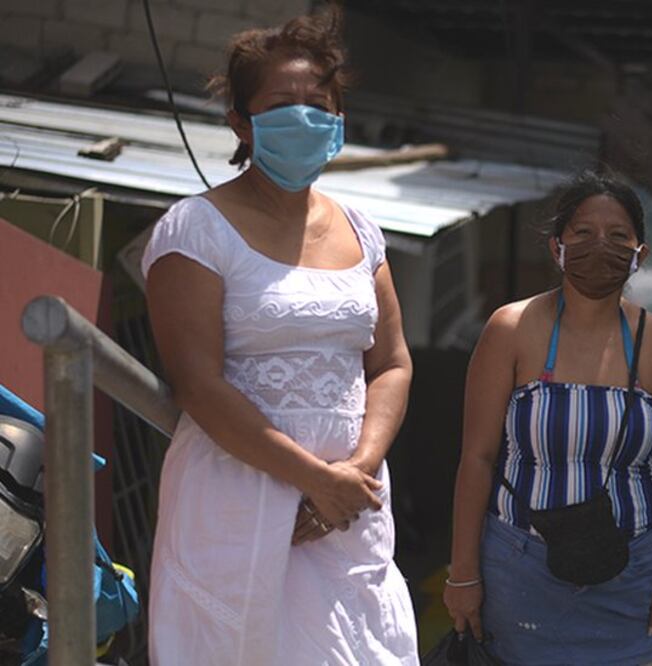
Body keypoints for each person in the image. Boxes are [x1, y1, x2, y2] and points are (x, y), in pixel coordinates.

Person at [141, 7, 418, 664]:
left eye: (318, 103)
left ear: (340, 118)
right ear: (240, 121)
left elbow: (392, 364)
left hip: (349, 508)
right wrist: (312, 479)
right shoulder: (194, 231)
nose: (304, 117)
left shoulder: (362, 228)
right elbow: (198, 383)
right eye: (280, 103)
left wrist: (354, 471)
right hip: (239, 499)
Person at [442, 172, 652, 665]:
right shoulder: (511, 329)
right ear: (557, 247)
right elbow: (476, 458)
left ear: (639, 254)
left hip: (632, 579)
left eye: (618, 236)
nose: (599, 246)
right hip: (519, 573)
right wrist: (464, 574)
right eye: (582, 234)